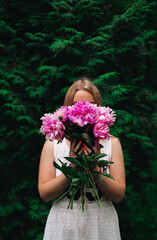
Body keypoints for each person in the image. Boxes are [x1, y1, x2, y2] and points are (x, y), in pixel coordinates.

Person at [38, 77, 126, 240]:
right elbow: (45, 193)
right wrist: (71, 169)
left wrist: (94, 169)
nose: (83, 110)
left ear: (99, 108)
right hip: (63, 225)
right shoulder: (53, 144)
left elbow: (119, 195)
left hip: (101, 224)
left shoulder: (111, 143)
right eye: (75, 104)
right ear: (66, 109)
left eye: (90, 104)